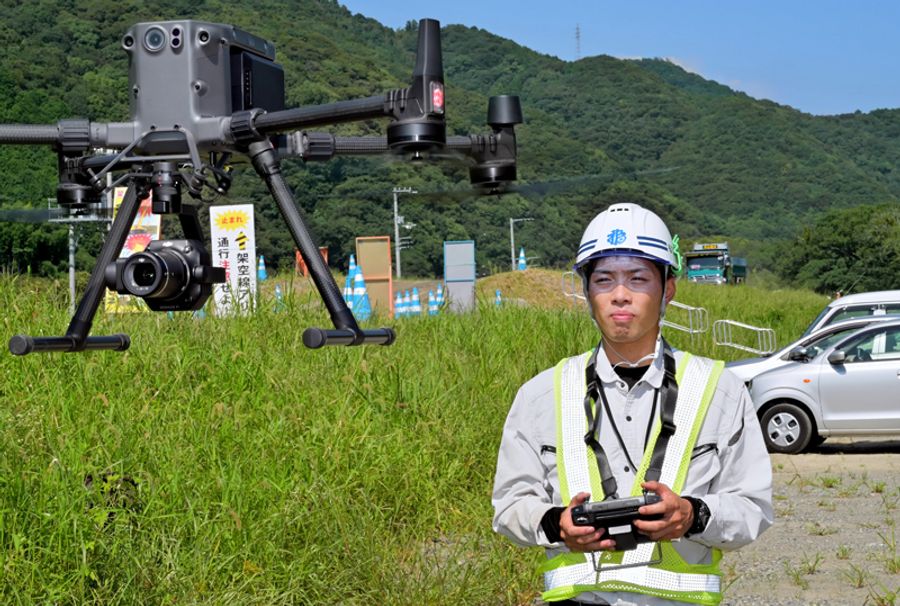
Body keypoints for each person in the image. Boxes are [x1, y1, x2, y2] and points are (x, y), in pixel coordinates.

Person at [492, 203, 773, 605]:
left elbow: (753, 507)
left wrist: (693, 515)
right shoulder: (540, 394)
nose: (620, 295)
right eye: (604, 279)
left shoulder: (719, 390)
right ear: (586, 291)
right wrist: (556, 524)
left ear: (668, 289)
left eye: (638, 278)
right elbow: (509, 506)